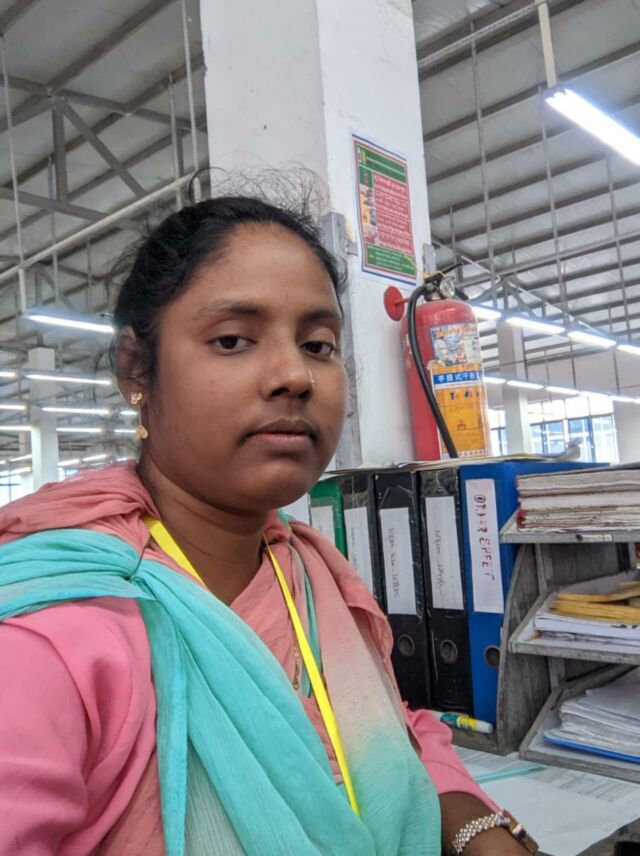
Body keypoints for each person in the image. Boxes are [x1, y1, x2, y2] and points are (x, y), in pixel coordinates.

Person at [0, 191, 535, 855]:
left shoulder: (311, 576)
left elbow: (390, 727)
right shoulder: (48, 637)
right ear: (137, 370)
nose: (294, 375)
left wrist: (472, 821)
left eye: (318, 345)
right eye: (232, 340)